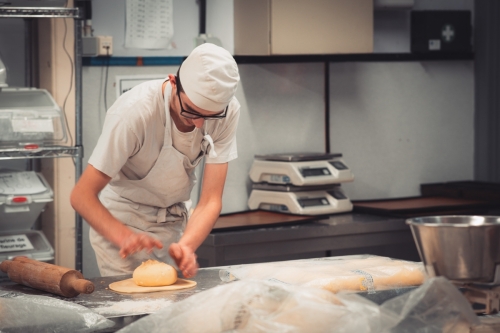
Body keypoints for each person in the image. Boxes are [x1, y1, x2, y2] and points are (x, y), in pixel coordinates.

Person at [70, 43, 240, 278]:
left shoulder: (228, 112)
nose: (200, 124)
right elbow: (81, 196)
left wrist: (186, 246)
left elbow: (211, 200)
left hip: (173, 225)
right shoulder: (134, 113)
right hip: (124, 225)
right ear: (173, 82)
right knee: (132, 311)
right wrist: (125, 237)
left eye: (210, 116)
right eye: (191, 111)